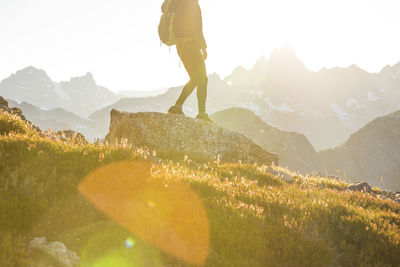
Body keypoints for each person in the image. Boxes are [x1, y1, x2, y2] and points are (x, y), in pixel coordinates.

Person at [167, 0, 214, 123]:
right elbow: (196, 27)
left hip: (181, 46)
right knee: (201, 78)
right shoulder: (191, 3)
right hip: (190, 45)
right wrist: (203, 47)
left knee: (198, 78)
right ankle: (200, 113)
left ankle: (178, 107)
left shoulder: (180, 3)